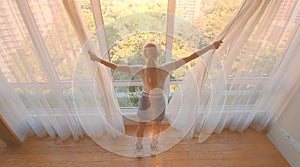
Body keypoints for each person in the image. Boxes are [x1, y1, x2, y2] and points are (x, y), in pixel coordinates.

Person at [88, 40, 222, 156]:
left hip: (145, 100)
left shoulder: (139, 69)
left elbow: (115, 66)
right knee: (156, 126)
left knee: (141, 126)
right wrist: (211, 46)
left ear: (144, 55)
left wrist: (96, 58)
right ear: (158, 54)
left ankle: (139, 147)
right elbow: (190, 57)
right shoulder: (166, 68)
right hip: (159, 102)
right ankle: (153, 145)